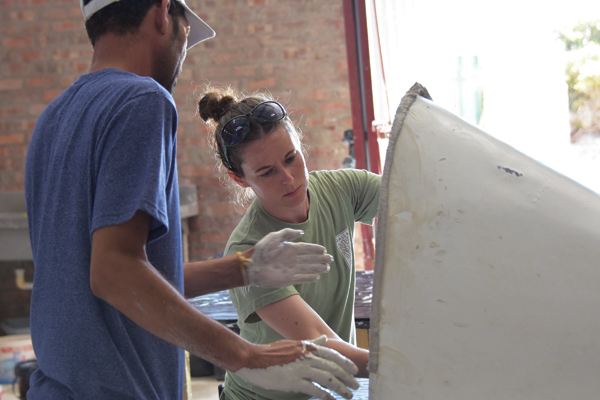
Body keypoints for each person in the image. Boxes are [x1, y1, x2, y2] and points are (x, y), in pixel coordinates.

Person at [23, 1, 361, 399]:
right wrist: (247, 357)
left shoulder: (53, 118)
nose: (183, 53)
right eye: (186, 36)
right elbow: (114, 272)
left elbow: (101, 276)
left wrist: (242, 269)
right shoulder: (141, 99)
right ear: (163, 14)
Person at [197, 87, 381, 400]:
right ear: (240, 179)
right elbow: (318, 342)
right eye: (267, 172)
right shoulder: (248, 252)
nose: (288, 178)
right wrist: (406, 364)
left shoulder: (344, 189)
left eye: (291, 158)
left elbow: (414, 200)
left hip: (331, 388)